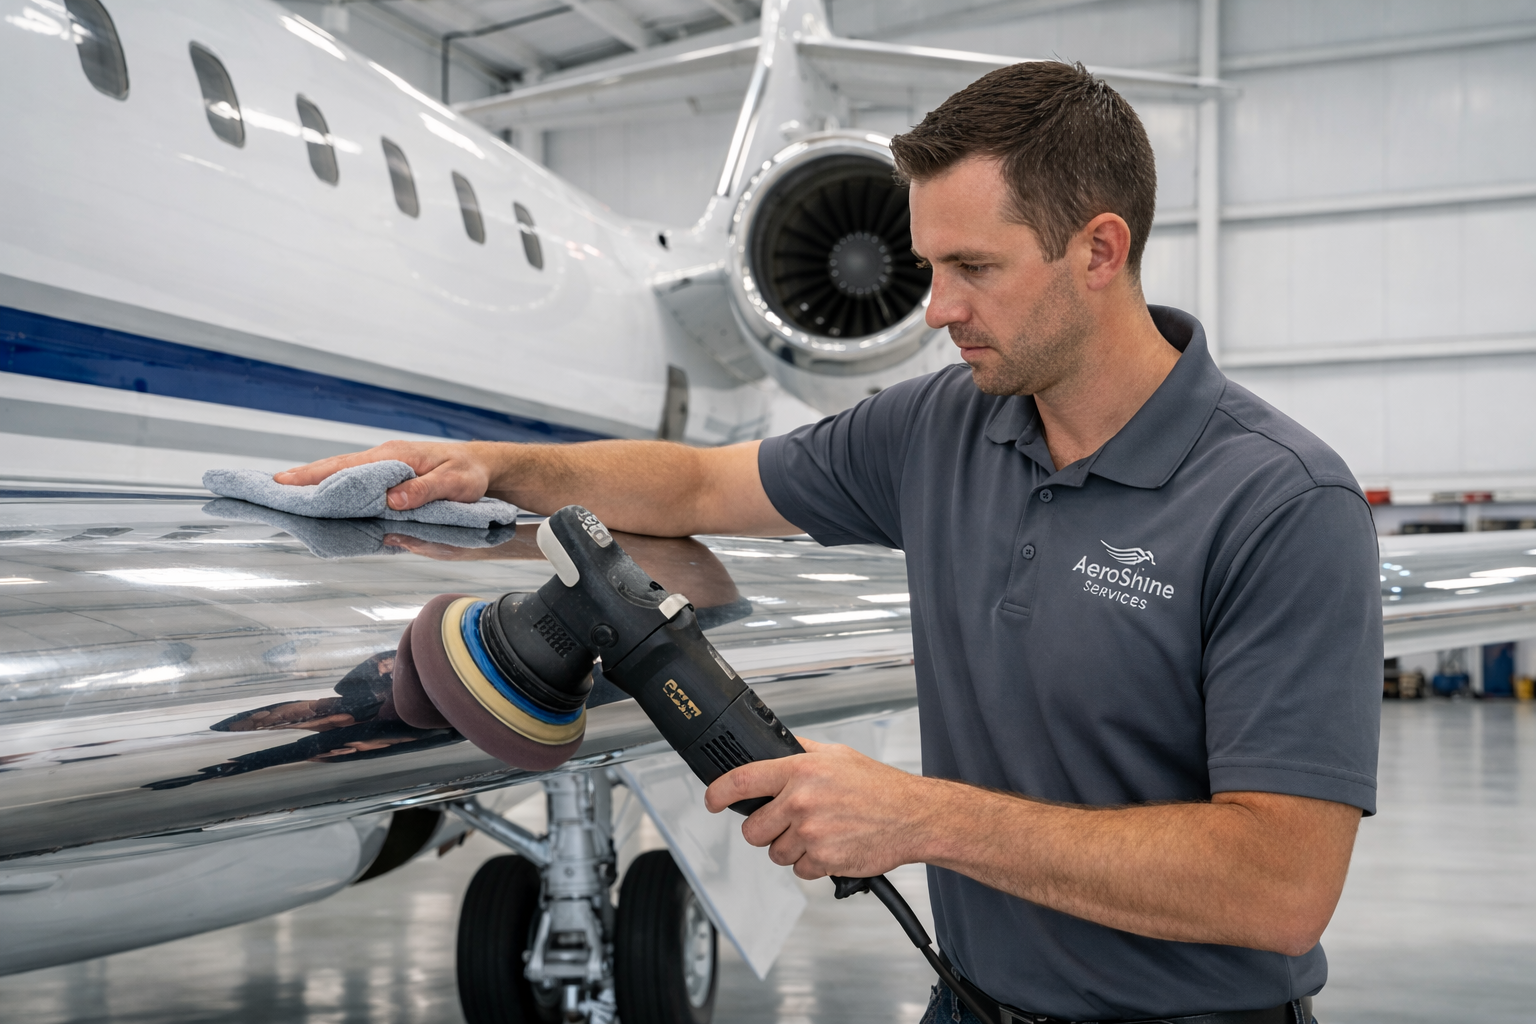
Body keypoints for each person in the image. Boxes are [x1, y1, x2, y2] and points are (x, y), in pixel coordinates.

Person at [278, 61, 1380, 1024]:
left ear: (1100, 249)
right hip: (968, 1003)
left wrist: (919, 816)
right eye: (927, 266)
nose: (935, 309)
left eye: (975, 268)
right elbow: (704, 479)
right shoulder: (941, 426)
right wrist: (495, 466)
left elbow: (1278, 887)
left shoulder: (1280, 500)